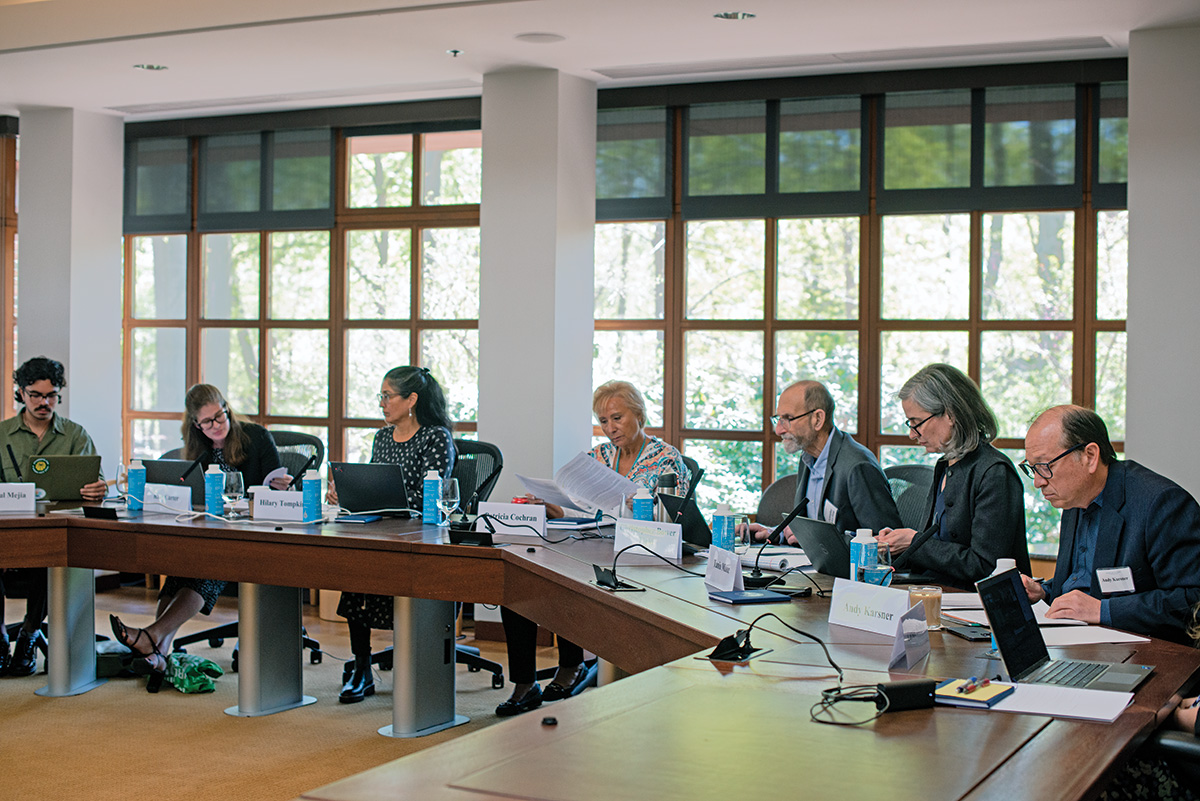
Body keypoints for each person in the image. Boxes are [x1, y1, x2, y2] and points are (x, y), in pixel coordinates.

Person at [497, 380, 691, 717]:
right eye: (603, 421)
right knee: (520, 576)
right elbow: (583, 509)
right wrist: (555, 508)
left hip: (640, 555)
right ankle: (525, 683)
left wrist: (633, 506)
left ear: (639, 415)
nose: (610, 429)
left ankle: (572, 665)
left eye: (617, 418)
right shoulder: (598, 457)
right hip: (594, 544)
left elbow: (673, 519)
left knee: (572, 576)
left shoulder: (665, 459)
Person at [108, 384, 290, 690]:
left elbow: (275, 485)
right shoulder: (198, 448)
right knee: (184, 564)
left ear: (226, 409)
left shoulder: (256, 437)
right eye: (207, 422)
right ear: (196, 425)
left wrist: (276, 487)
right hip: (212, 527)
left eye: (220, 417)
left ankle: (151, 636)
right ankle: (159, 651)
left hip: (254, 531)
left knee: (209, 565)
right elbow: (190, 494)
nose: (216, 426)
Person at [328, 366, 456, 704]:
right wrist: (348, 492)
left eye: (388, 396)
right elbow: (375, 482)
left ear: (411, 399)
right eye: (381, 396)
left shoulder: (436, 437)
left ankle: (415, 665)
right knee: (356, 568)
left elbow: (431, 495)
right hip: (379, 528)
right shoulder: (383, 437)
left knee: (391, 573)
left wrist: (378, 497)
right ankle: (361, 665)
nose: (382, 403)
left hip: (419, 534)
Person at [1018, 405, 1200, 642]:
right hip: (1080, 644)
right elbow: (1088, 584)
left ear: (1090, 456)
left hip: (1146, 653)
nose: (1038, 482)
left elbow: (1192, 599)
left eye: (1045, 466)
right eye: (1032, 469)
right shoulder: (1072, 499)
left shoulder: (1161, 504)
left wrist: (1102, 611)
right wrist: (1044, 592)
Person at [0, 356, 106, 677]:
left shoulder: (75, 435)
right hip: (8, 530)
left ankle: (29, 634)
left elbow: (96, 483)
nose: (44, 403)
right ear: (21, 392)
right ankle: (0, 638)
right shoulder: (2, 434)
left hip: (55, 532)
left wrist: (96, 490)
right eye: (36, 395)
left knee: (51, 557)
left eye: (51, 395)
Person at [877, 363, 1028, 588]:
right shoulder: (945, 464)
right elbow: (936, 544)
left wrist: (914, 543)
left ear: (950, 414)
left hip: (976, 605)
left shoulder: (995, 472)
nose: (911, 434)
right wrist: (896, 544)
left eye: (916, 423)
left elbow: (986, 566)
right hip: (939, 594)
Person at [744, 380, 900, 545]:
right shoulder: (808, 456)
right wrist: (775, 532)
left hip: (845, 570)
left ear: (817, 419)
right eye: (778, 419)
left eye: (788, 418)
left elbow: (886, 543)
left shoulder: (857, 465)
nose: (779, 430)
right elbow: (808, 527)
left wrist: (818, 540)